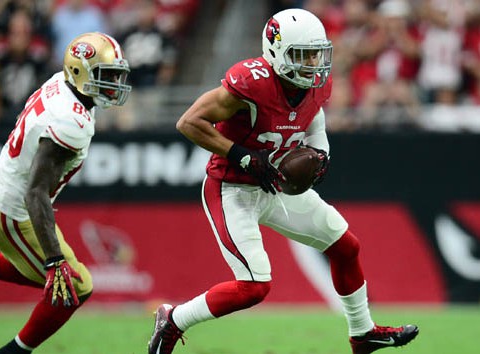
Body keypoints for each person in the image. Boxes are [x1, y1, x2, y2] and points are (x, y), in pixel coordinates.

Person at [147, 8, 419, 354]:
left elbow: (314, 115)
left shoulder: (316, 85)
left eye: (315, 53)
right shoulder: (251, 83)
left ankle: (363, 333)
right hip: (234, 187)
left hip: (274, 183)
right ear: (276, 52)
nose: (312, 63)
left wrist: (320, 152)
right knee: (254, 287)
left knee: (345, 246)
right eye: (302, 55)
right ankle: (173, 319)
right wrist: (242, 155)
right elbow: (189, 122)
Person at [0, 32, 131, 353]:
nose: (113, 84)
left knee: (56, 279)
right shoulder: (71, 121)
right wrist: (55, 260)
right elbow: (35, 192)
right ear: (79, 73)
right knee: (73, 285)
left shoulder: (62, 84)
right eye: (106, 75)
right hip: (11, 211)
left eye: (115, 75)